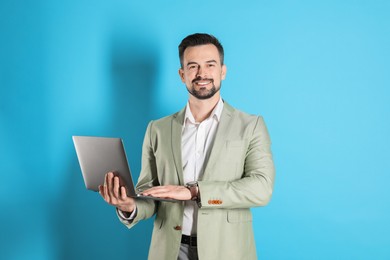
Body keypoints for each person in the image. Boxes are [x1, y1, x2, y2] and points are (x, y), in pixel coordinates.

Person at [98, 33, 275, 260]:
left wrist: (194, 192)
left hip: (228, 250)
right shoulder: (157, 129)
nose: (202, 74)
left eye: (210, 65)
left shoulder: (251, 126)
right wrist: (128, 205)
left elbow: (261, 188)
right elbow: (150, 196)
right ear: (182, 75)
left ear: (223, 71)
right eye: (193, 66)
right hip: (170, 251)